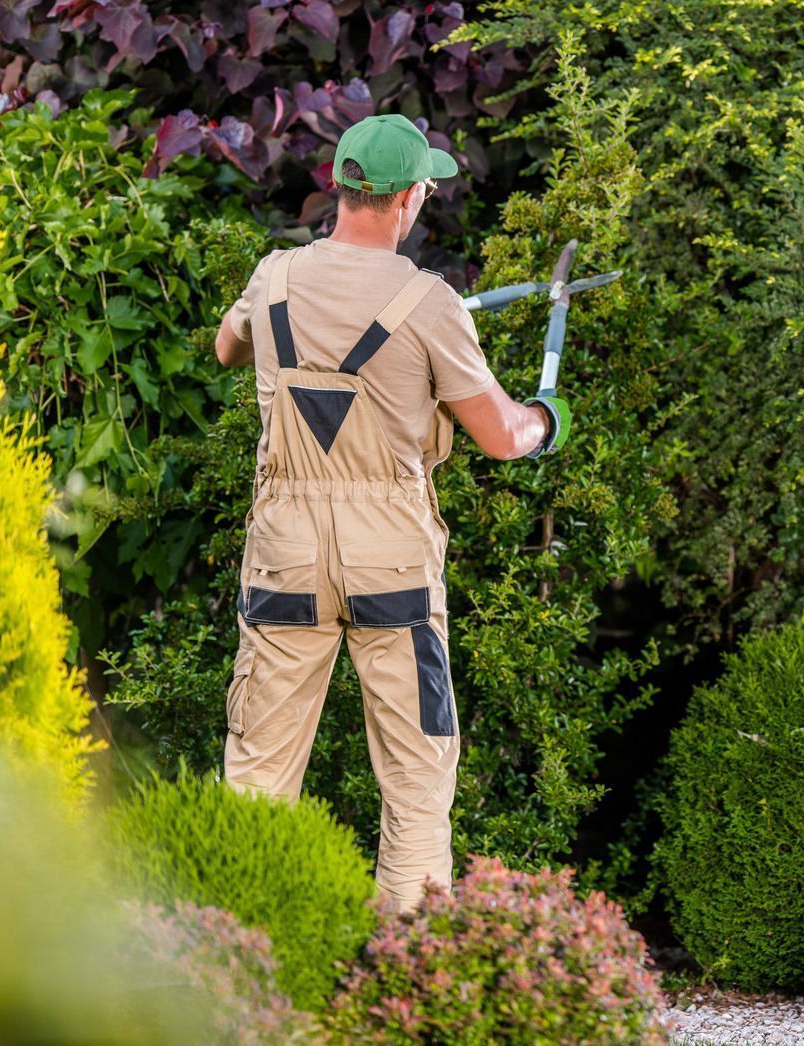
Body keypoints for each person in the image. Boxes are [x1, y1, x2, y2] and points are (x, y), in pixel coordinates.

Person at [211, 113, 568, 912]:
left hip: (285, 551)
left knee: (258, 772)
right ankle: (405, 975)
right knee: (415, 772)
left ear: (340, 188)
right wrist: (550, 417)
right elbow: (504, 438)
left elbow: (227, 349)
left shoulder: (272, 278)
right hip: (392, 560)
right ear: (409, 198)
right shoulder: (432, 303)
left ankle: (236, 978)